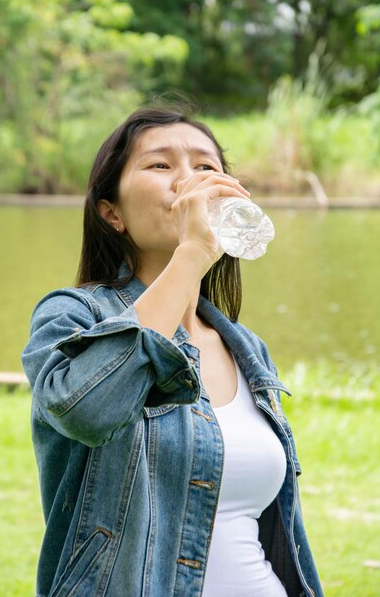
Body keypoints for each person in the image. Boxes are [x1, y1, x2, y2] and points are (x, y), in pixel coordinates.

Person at [22, 102, 324, 597]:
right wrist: (191, 254)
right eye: (161, 165)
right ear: (111, 212)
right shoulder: (72, 317)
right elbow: (88, 411)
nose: (189, 183)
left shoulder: (246, 349)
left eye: (206, 167)